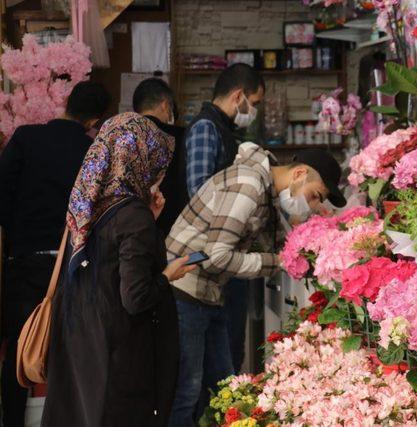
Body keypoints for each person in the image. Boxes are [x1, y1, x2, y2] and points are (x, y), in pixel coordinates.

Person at [167, 142, 346, 426]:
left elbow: (278, 242)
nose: (312, 206)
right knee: (187, 391)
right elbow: (216, 257)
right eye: (314, 196)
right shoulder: (249, 185)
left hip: (207, 293)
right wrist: (279, 262)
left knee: (225, 387)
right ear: (299, 173)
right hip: (185, 289)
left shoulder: (265, 189)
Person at [42, 112, 196, 427]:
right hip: (117, 356)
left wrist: (147, 222)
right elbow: (136, 297)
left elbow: (108, 259)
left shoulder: (87, 202)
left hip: (80, 342)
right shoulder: (132, 216)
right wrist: (170, 274)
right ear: (140, 158)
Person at [0, 81, 110, 427]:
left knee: (20, 348)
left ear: (67, 104)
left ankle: (13, 420)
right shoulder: (92, 151)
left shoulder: (24, 138)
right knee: (70, 353)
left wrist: (17, 231)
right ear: (95, 119)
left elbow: (1, 195)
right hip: (73, 265)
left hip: (26, 259)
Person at [184, 64, 264, 380]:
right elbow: (199, 193)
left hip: (225, 253)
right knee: (222, 355)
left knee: (229, 351)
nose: (253, 111)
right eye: (254, 104)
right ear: (238, 96)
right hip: (214, 256)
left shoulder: (223, 129)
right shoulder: (206, 128)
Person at [132, 77, 188, 237]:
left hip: (130, 224)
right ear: (165, 104)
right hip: (172, 226)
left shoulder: (125, 135)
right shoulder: (180, 136)